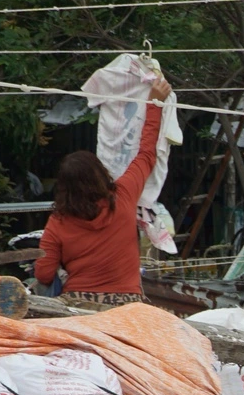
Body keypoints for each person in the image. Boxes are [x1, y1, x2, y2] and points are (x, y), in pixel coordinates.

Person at [35, 75, 170, 301]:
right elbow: (147, 153)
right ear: (101, 173)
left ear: (63, 188)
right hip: (127, 303)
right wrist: (154, 103)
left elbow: (44, 274)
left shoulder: (57, 222)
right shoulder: (124, 194)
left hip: (78, 305)